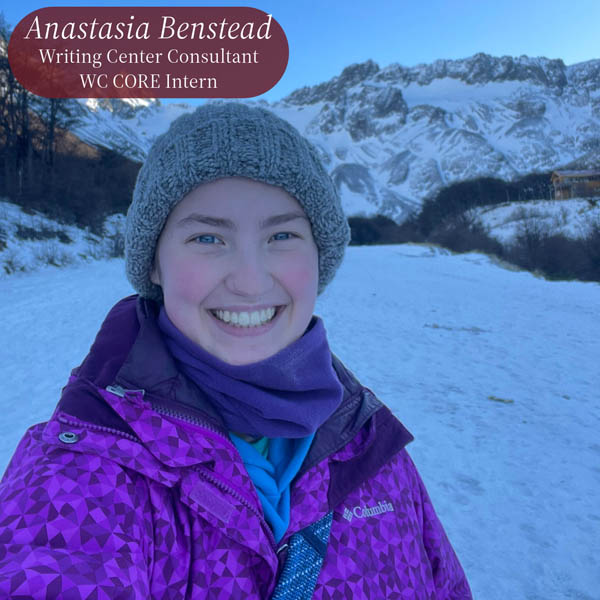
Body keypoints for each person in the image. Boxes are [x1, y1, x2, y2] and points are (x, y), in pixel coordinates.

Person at [0, 102, 472, 598]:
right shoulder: (79, 479)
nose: (249, 281)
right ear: (154, 263)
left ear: (319, 256)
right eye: (208, 237)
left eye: (282, 235)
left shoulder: (368, 443)